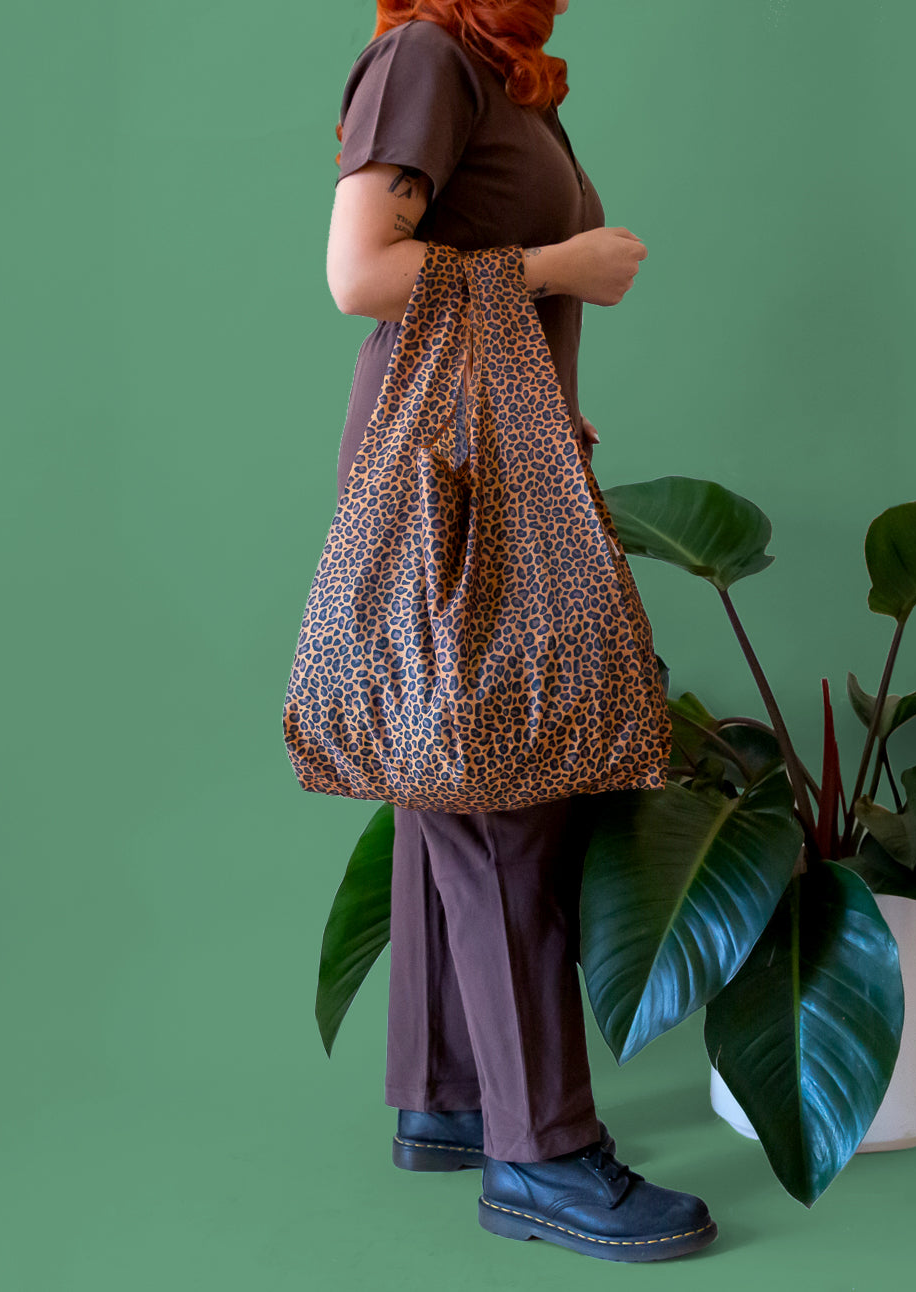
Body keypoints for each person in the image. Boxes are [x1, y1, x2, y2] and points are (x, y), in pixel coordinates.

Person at [324, 0, 718, 1264]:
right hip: (447, 467)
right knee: (502, 788)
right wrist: (561, 268)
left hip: (497, 455)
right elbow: (359, 274)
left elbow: (459, 274)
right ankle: (540, 1151)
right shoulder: (426, 55)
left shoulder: (500, 68)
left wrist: (550, 411)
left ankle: (444, 1092)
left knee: (451, 762)